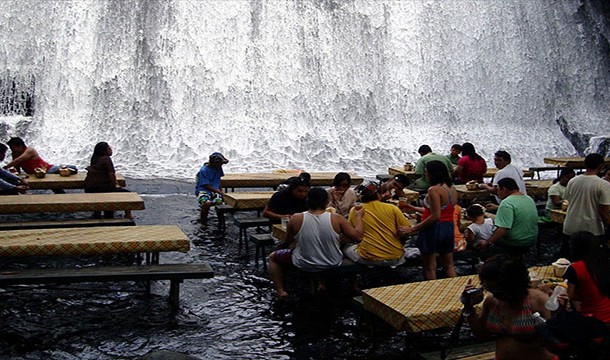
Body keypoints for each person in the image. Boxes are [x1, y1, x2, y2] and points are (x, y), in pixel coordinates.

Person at [267, 187, 364, 299]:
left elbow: (288, 241)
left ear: (307, 200)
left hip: (304, 262)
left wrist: (282, 246)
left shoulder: (296, 218)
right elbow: (358, 237)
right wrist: (359, 217)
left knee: (272, 258)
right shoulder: (337, 219)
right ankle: (338, 284)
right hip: (332, 261)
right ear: (327, 202)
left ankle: (281, 290)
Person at [464, 254, 556, 360]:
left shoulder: (538, 301)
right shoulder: (492, 301)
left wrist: (557, 313)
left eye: (499, 290)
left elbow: (555, 340)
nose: (495, 294)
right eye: (489, 289)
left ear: (514, 285)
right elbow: (482, 335)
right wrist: (469, 307)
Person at [399, 160, 457, 280]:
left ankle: (432, 292)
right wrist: (413, 207)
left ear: (433, 173)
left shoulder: (434, 190)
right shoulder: (451, 188)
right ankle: (455, 291)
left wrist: (413, 228)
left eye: (426, 172)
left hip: (433, 229)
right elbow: (441, 210)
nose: (425, 174)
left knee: (429, 267)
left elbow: (436, 216)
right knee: (449, 265)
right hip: (448, 227)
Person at [342, 182, 410, 267]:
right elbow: (406, 230)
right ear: (378, 195)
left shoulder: (356, 210)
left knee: (346, 249)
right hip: (395, 257)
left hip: (368, 258)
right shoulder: (393, 208)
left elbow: (352, 234)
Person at [476, 178, 538, 258]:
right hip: (531, 239)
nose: (497, 193)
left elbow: (503, 229)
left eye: (498, 190)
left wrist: (487, 242)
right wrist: (498, 208)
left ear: (504, 189)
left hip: (515, 242)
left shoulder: (506, 203)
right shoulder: (528, 199)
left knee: (484, 235)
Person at [564, 231, 610, 324]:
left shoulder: (576, 268)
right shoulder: (603, 263)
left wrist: (548, 292)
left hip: (591, 319)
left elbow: (567, 297)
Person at [562, 153, 610, 239]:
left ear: (585, 164)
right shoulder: (603, 185)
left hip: (570, 227)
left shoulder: (572, 181)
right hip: (592, 230)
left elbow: (567, 200)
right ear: (601, 166)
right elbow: (604, 212)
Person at [83, 142, 132, 219]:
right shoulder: (106, 159)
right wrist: (116, 184)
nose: (111, 150)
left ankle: (98, 213)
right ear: (104, 151)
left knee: (108, 193)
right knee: (128, 194)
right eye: (109, 148)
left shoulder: (95, 159)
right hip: (101, 188)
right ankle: (128, 215)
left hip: (90, 188)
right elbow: (111, 174)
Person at [3, 137, 77, 175]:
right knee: (52, 185)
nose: (12, 150)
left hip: (47, 169)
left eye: (13, 148)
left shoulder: (29, 150)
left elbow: (19, 160)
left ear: (20, 146)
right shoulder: (15, 154)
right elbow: (17, 167)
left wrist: (5, 167)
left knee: (73, 168)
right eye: (11, 148)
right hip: (37, 175)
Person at [195, 152, 229, 224]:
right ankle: (203, 222)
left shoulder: (218, 167)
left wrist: (221, 192)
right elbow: (207, 186)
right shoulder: (204, 171)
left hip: (215, 190)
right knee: (207, 203)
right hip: (203, 191)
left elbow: (218, 180)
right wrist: (221, 193)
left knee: (220, 202)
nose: (220, 165)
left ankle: (221, 221)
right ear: (213, 163)